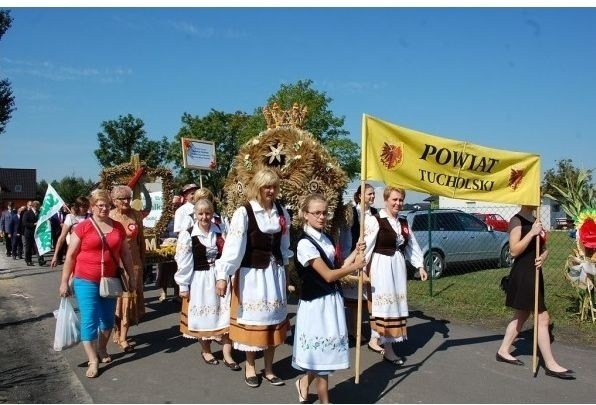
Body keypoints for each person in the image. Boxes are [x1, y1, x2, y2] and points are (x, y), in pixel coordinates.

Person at [214, 168, 293, 388]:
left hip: (274, 275)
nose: (271, 190)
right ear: (257, 187)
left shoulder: (281, 212)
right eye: (267, 186)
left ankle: (269, 369)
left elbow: (285, 247)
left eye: (274, 186)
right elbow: (233, 249)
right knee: (254, 323)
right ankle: (251, 366)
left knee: (273, 323)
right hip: (252, 276)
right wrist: (222, 275)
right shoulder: (244, 212)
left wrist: (286, 275)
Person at [292, 193, 366, 404]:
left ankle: (304, 383)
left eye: (324, 212)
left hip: (331, 301)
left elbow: (338, 267)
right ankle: (325, 401)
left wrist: (356, 252)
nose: (322, 217)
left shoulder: (324, 239)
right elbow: (328, 275)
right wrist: (356, 267)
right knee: (321, 356)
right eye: (316, 213)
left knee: (325, 353)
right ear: (305, 215)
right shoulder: (304, 244)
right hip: (316, 305)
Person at [58, 189, 134, 378]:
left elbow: (125, 254)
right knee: (89, 319)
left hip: (110, 281)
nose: (104, 208)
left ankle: (101, 347)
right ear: (92, 207)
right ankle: (93, 360)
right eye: (100, 205)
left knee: (108, 321)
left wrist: (131, 276)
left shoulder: (117, 227)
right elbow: (71, 256)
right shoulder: (83, 227)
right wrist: (64, 282)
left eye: (107, 205)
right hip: (85, 280)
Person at [496, 205, 574, 380]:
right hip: (524, 274)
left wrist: (544, 255)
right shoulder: (516, 220)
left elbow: (544, 247)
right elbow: (514, 251)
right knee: (543, 318)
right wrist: (531, 233)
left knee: (521, 314)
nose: (537, 201)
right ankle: (550, 364)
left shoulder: (535, 220)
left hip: (536, 272)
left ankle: (503, 350)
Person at [363, 186, 428, 364]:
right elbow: (365, 246)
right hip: (381, 266)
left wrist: (420, 265)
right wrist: (361, 269)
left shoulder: (403, 223)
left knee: (394, 305)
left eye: (400, 200)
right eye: (394, 200)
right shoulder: (376, 220)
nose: (398, 203)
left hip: (397, 266)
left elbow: (412, 246)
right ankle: (388, 349)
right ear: (386, 200)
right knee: (386, 307)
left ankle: (375, 339)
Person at [174, 198, 240, 370]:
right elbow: (184, 262)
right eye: (201, 213)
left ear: (212, 214)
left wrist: (224, 277)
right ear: (195, 215)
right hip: (199, 280)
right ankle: (206, 350)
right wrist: (183, 285)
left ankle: (227, 354)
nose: (204, 217)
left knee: (225, 315)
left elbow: (225, 256)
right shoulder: (188, 234)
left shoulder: (219, 230)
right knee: (204, 317)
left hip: (219, 276)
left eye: (208, 213)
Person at [341, 184, 382, 353]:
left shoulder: (374, 214)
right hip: (352, 253)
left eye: (373, 194)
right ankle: (353, 329)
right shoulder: (351, 212)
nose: (372, 197)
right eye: (369, 194)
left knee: (366, 297)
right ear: (359, 195)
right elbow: (345, 235)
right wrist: (347, 257)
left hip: (368, 256)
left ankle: (364, 330)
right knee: (354, 299)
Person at [109, 185, 145, 352]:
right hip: (115, 264)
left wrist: (142, 261)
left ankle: (124, 337)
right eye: (122, 198)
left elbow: (141, 241)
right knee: (117, 300)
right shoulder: (109, 216)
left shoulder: (136, 215)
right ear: (114, 201)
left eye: (128, 198)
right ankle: (116, 329)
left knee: (129, 300)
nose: (126, 201)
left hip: (134, 263)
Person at [156, 195, 182, 302]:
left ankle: (176, 294)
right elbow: (159, 231)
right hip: (165, 246)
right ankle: (163, 292)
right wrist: (164, 241)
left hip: (178, 245)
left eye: (177, 204)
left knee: (177, 269)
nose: (175, 206)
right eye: (173, 204)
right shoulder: (163, 217)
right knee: (163, 270)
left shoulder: (181, 215)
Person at [51, 197, 90, 268]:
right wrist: (55, 255)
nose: (86, 208)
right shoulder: (70, 217)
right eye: (83, 206)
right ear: (77, 206)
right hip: (74, 250)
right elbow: (62, 237)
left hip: (88, 251)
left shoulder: (91, 217)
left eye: (87, 206)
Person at [23, 201, 46, 266]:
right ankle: (28, 260)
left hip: (38, 233)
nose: (39, 207)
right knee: (28, 248)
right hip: (29, 233)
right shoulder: (27, 213)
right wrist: (33, 224)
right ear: (34, 206)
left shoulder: (39, 213)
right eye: (38, 206)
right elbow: (25, 223)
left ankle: (41, 260)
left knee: (39, 247)